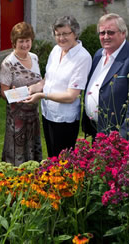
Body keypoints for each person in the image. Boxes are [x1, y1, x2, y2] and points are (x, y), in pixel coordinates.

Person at [24, 15, 92, 157]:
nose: (61, 38)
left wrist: (42, 95)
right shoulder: (56, 50)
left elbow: (71, 96)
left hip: (64, 118)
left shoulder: (82, 57)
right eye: (57, 34)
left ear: (75, 33)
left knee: (63, 161)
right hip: (48, 113)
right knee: (52, 156)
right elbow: (47, 78)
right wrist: (35, 87)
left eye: (65, 34)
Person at [82, 13, 129, 139]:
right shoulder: (99, 55)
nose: (106, 37)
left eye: (111, 32)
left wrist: (122, 137)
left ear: (123, 33)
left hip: (116, 135)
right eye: (102, 33)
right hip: (96, 130)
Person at [0, 22, 42, 166]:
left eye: (27, 40)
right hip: (16, 115)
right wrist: (16, 94)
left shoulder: (34, 57)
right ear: (14, 42)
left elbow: (39, 81)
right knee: (17, 150)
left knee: (33, 146)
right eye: (21, 41)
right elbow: (4, 92)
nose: (25, 44)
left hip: (33, 111)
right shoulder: (8, 63)